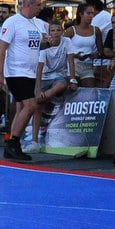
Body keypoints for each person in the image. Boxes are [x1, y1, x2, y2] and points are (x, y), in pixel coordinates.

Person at [0, 0, 49, 162]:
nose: (41, 8)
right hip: (16, 71)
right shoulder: (13, 22)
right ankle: (14, 142)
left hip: (29, 71)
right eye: (39, 5)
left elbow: (34, 45)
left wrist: (47, 42)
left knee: (21, 108)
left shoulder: (35, 24)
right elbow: (2, 48)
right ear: (29, 4)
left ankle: (13, 142)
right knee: (31, 105)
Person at [28, 21, 73, 152]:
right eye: (52, 31)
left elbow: (71, 61)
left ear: (62, 32)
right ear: (48, 33)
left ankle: (45, 97)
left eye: (58, 30)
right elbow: (39, 68)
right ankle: (34, 140)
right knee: (37, 105)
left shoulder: (67, 42)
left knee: (60, 85)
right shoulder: (45, 46)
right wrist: (38, 89)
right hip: (44, 77)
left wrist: (73, 78)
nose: (55, 33)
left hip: (58, 76)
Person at [64, 1, 103, 88]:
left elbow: (101, 51)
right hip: (73, 65)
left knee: (90, 90)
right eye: (88, 13)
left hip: (88, 65)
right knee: (73, 90)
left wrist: (96, 54)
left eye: (92, 13)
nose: (91, 16)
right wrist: (75, 55)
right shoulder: (71, 30)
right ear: (81, 14)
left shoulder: (96, 30)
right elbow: (61, 49)